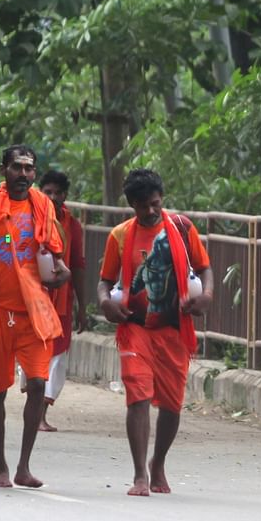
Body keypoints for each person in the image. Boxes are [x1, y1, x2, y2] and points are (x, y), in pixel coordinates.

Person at [0, 146, 68, 488]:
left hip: (32, 309)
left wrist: (60, 273)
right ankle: (0, 465)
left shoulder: (43, 206)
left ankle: (24, 465)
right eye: (17, 167)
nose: (23, 174)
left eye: (29, 168)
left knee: (37, 383)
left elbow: (54, 257)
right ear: (3, 169)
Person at [100, 168, 212, 496]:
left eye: (155, 204)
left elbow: (204, 268)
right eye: (142, 206)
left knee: (172, 405)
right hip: (135, 327)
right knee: (138, 395)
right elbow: (105, 280)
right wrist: (105, 302)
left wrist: (206, 296)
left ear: (162, 199)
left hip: (173, 329)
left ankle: (158, 462)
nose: (150, 212)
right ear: (131, 206)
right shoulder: (119, 236)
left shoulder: (182, 228)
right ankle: (139, 475)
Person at [37, 170, 89, 430]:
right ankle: (34, 411)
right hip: (32, 298)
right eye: (48, 192)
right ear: (40, 192)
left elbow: (78, 265)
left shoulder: (73, 225)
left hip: (62, 301)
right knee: (33, 355)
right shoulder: (27, 218)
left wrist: (82, 305)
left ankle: (41, 414)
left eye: (58, 193)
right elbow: (9, 240)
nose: (53, 197)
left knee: (57, 356)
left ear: (65, 195)